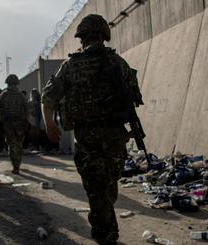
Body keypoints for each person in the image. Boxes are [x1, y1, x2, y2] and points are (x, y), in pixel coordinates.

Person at [41, 14, 141, 245]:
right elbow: (133, 97)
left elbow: (48, 97)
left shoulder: (71, 65)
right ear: (104, 36)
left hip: (87, 136)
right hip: (115, 135)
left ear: (82, 38)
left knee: (97, 189)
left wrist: (50, 124)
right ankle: (107, 232)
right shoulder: (118, 63)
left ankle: (105, 233)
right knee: (108, 187)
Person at [0, 74, 28, 174]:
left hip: (9, 124)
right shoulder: (21, 96)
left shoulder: (3, 95)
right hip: (20, 124)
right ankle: (17, 164)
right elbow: (27, 109)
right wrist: (26, 122)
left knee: (12, 145)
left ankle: (15, 166)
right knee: (19, 145)